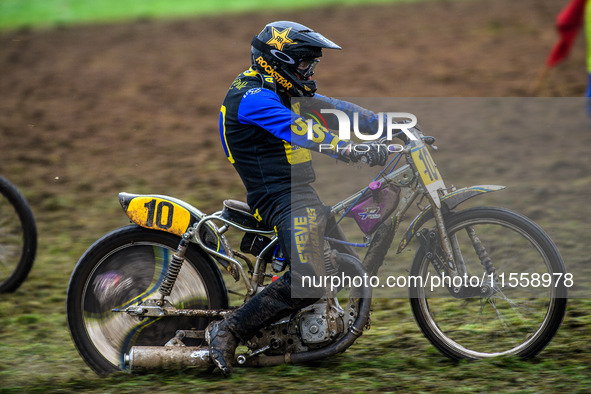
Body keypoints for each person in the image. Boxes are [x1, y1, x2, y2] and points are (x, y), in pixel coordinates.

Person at [208, 20, 394, 376]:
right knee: (309, 279)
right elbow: (300, 130)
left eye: (313, 64)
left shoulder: (278, 87)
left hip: (300, 194)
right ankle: (228, 329)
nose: (310, 71)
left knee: (342, 266)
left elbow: (332, 108)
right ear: (278, 61)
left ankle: (310, 332)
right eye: (305, 63)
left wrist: (389, 126)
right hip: (279, 198)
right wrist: (351, 149)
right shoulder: (252, 97)